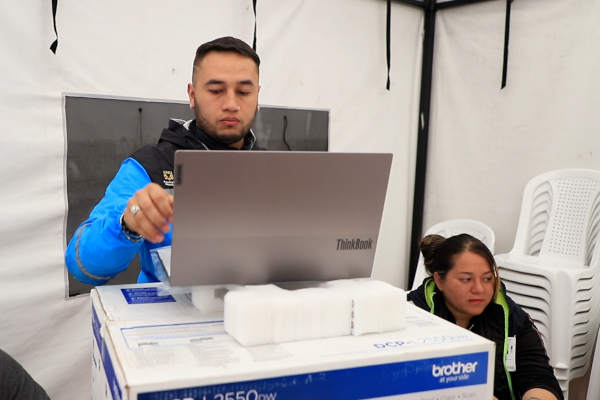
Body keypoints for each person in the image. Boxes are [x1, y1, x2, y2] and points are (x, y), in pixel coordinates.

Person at [65, 36, 264, 285]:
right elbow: (83, 265)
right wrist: (129, 221)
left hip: (258, 315)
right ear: (192, 95)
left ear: (257, 97)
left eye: (244, 92)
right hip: (171, 315)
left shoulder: (277, 171)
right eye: (216, 90)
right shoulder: (150, 167)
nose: (231, 104)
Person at [408, 234, 563, 400]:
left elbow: (538, 376)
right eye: (466, 279)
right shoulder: (412, 315)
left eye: (488, 278)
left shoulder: (510, 317)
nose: (479, 289)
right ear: (439, 280)